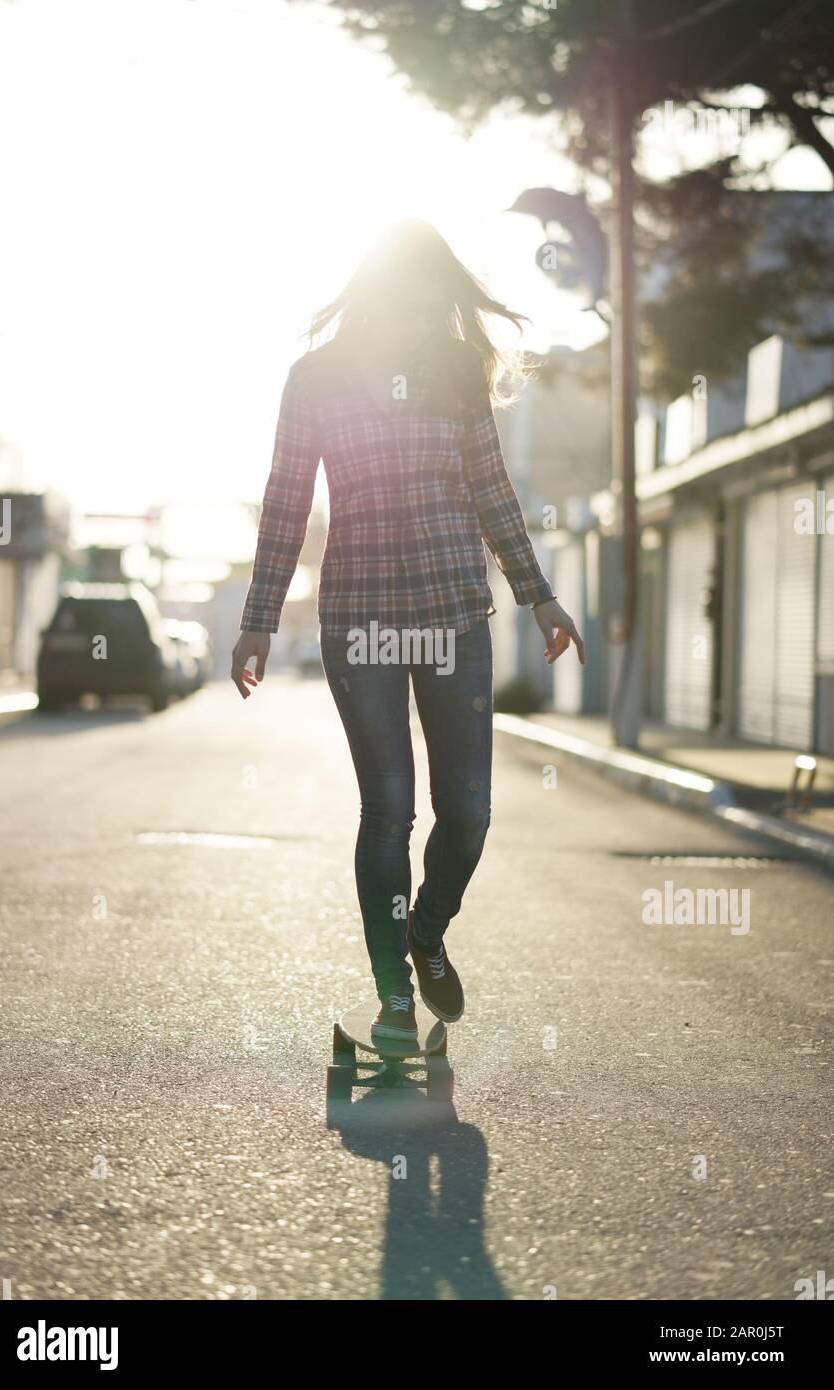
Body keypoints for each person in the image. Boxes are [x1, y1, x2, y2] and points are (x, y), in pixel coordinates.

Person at [232, 220, 584, 1042]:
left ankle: (423, 935)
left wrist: (540, 598)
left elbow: (492, 491)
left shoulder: (458, 373)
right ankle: (393, 993)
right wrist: (257, 620)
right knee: (387, 811)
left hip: (455, 612)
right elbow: (286, 501)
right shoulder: (314, 378)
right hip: (359, 616)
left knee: (468, 813)